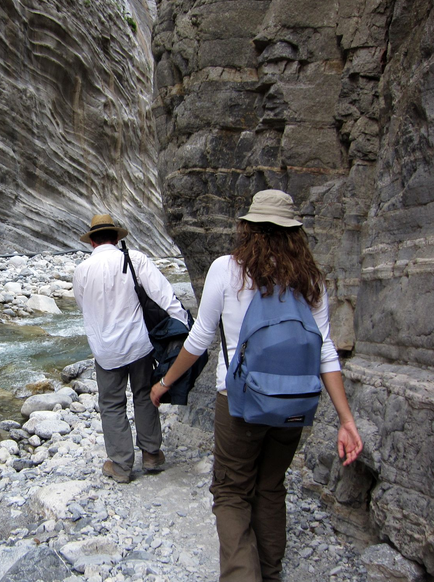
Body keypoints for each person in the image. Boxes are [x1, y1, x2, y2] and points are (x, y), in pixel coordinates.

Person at [149, 190, 363, 581]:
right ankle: (270, 573)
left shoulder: (226, 270)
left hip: (239, 403)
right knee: (270, 486)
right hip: (294, 406)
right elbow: (325, 351)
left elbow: (199, 340)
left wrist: (165, 381)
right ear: (294, 232)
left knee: (231, 493)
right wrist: (346, 420)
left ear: (247, 228)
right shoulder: (310, 278)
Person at [73, 214, 188, 483]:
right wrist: (184, 323)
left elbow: (83, 306)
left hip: (105, 350)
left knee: (112, 404)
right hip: (139, 344)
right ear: (117, 238)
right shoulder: (134, 259)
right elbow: (163, 295)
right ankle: (151, 454)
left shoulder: (82, 270)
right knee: (144, 394)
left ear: (92, 241)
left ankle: (122, 465)